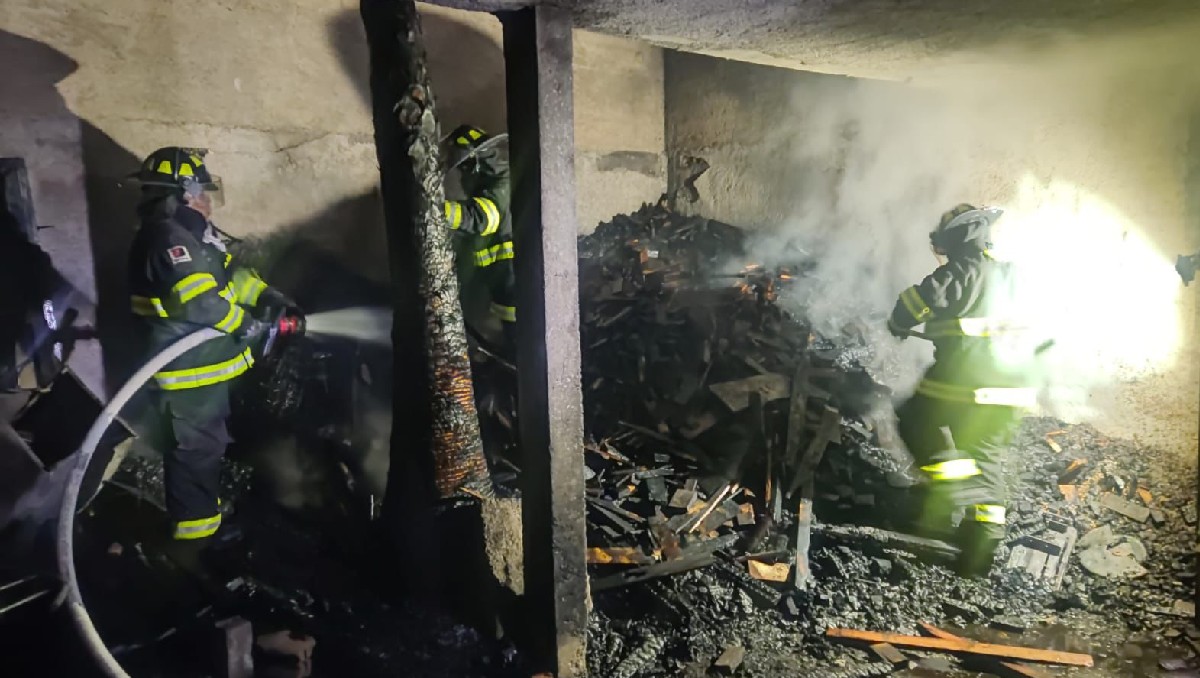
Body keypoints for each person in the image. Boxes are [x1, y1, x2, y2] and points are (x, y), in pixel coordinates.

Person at [128, 147, 300, 546]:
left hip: (203, 368)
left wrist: (266, 296)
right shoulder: (167, 239)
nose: (208, 202)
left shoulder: (188, 236)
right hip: (187, 372)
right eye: (203, 192)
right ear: (184, 193)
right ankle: (197, 540)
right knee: (196, 451)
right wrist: (248, 324)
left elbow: (228, 277)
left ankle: (205, 514)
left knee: (207, 446)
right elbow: (201, 302)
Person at [888, 203, 1038, 577]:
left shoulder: (959, 273)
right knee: (985, 456)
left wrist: (898, 323)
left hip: (965, 386)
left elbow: (910, 306)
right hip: (1014, 392)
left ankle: (953, 488)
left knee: (914, 421)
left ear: (955, 241)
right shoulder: (1012, 276)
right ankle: (979, 551)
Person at [442, 125, 516, 352]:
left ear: (475, 163)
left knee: (524, 357)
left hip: (518, 290)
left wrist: (433, 210)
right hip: (506, 289)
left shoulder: (501, 184)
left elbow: (481, 219)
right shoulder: (494, 183)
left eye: (464, 169)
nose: (463, 176)